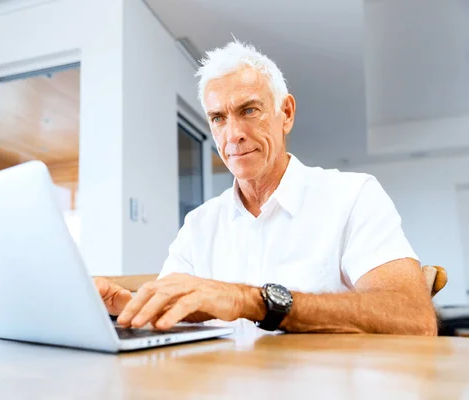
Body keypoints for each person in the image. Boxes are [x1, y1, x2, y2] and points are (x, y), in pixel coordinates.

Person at [95, 40, 437, 336]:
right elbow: (184, 312)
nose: (233, 134)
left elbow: (414, 319)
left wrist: (251, 301)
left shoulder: (353, 196)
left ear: (285, 113)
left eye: (249, 110)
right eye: (218, 118)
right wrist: (134, 309)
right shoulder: (199, 224)